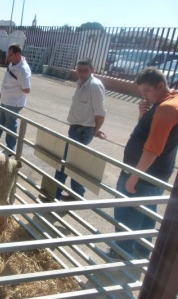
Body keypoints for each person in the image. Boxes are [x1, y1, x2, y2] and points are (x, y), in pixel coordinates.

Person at [111, 67, 178, 259]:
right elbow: (151, 134)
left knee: (127, 213)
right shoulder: (171, 100)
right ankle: (142, 249)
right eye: (142, 93)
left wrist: (133, 177)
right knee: (148, 212)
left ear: (160, 85)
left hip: (143, 173)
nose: (145, 96)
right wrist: (144, 115)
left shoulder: (166, 108)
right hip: (157, 173)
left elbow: (152, 149)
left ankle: (121, 254)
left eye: (147, 91)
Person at [53, 58, 107, 200]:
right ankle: (76, 194)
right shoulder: (81, 83)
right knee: (74, 163)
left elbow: (100, 112)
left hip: (83, 131)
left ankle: (55, 193)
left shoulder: (94, 86)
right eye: (79, 70)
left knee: (65, 162)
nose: (82, 73)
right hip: (76, 128)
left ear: (92, 70)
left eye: (85, 70)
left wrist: (95, 130)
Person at [0, 43, 31, 156]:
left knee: (11, 125)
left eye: (10, 55)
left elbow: (27, 89)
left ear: (18, 54)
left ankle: (10, 149)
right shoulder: (13, 64)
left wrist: (14, 90)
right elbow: (8, 82)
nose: (8, 57)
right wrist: (0, 95)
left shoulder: (23, 70)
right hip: (6, 100)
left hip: (13, 103)